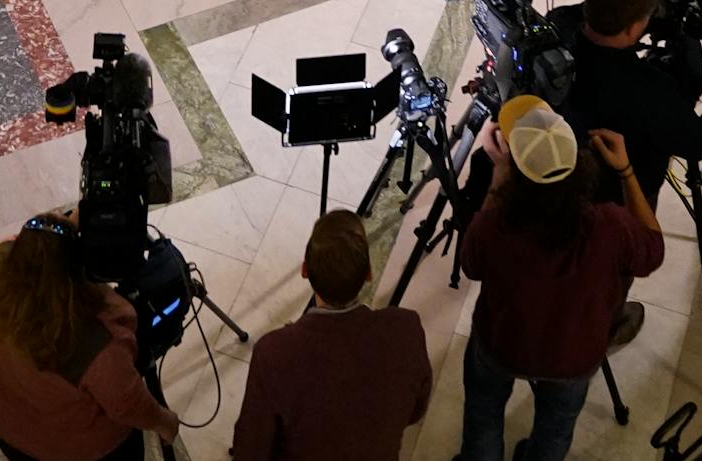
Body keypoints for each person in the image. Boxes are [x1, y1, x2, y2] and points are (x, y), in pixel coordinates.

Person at [455, 99, 663, 461]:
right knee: (555, 430)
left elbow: (471, 264)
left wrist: (497, 179)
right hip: (575, 357)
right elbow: (653, 251)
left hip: (500, 345)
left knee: (483, 415)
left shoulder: (495, 226)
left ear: (517, 173)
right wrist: (627, 171)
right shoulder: (611, 226)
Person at [556, 0, 702, 213]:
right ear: (633, 28)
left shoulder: (558, 24)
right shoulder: (648, 91)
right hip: (622, 196)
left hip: (557, 169)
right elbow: (701, 143)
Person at [0, 213, 179, 461]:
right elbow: (127, 404)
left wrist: (64, 227)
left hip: (6, 426)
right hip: (79, 450)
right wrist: (165, 423)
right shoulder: (96, 339)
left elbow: (29, 252)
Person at [232, 209, 432, 461]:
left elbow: (250, 450)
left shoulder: (275, 353)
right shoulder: (406, 329)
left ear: (305, 271)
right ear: (369, 272)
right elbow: (415, 411)